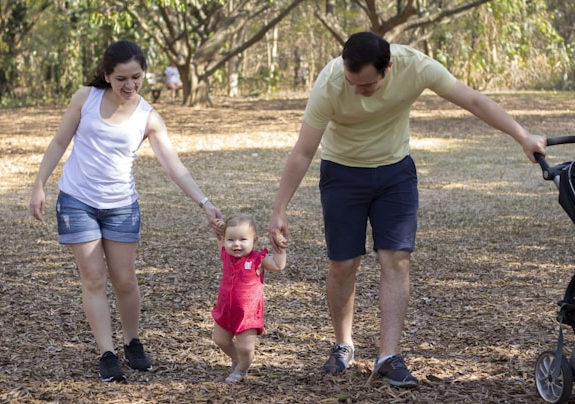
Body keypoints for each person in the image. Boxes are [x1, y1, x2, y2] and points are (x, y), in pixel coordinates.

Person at [267, 31, 546, 388]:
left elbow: (473, 101)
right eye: (353, 83)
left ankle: (387, 357)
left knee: (396, 259)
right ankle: (343, 344)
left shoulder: (416, 66)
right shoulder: (331, 81)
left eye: (367, 85)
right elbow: (304, 150)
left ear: (389, 68)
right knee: (343, 263)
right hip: (342, 171)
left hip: (395, 171)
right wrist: (280, 208)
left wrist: (522, 135)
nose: (358, 92)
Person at [29, 40, 223, 383]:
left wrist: (204, 202)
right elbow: (60, 141)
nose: (129, 85)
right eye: (121, 78)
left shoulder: (148, 116)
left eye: (136, 77)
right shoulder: (84, 98)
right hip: (77, 200)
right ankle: (107, 353)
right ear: (107, 75)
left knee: (124, 280)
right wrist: (39, 183)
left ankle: (132, 342)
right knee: (93, 278)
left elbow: (173, 165)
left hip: (121, 206)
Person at [211, 214, 287, 384]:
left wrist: (279, 248)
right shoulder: (226, 255)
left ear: (255, 240)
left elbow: (278, 265)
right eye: (231, 240)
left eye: (243, 239)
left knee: (246, 347)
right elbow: (220, 237)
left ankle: (241, 369)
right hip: (225, 310)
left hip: (248, 313)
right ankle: (240, 360)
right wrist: (219, 227)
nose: (236, 244)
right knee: (220, 339)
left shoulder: (257, 259)